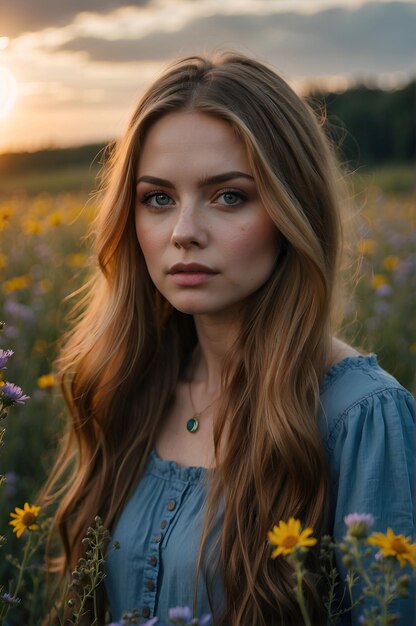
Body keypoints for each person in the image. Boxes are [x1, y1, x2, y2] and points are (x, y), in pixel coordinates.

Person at [43, 52, 415, 626]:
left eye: (229, 195)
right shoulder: (131, 385)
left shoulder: (361, 417)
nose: (184, 232)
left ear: (294, 209)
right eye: (158, 198)